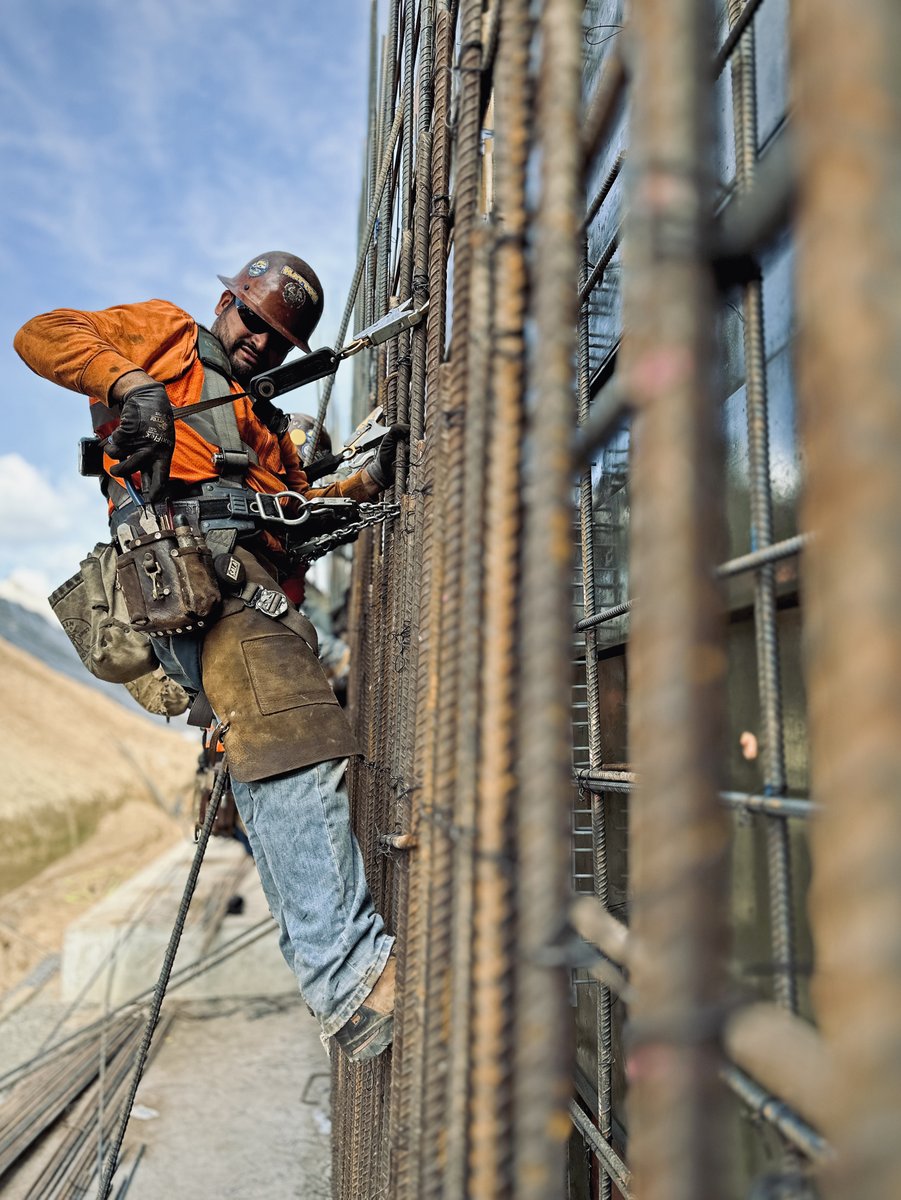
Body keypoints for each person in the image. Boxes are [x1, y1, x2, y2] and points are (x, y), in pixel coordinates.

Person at [14, 251, 408, 1061]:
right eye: (252, 320)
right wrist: (133, 388)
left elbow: (290, 506)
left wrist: (352, 488)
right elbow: (39, 333)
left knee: (270, 769)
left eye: (278, 339)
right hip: (196, 582)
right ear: (227, 301)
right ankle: (352, 982)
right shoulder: (166, 338)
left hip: (250, 591)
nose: (260, 342)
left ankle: (322, 963)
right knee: (295, 739)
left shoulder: (263, 424)